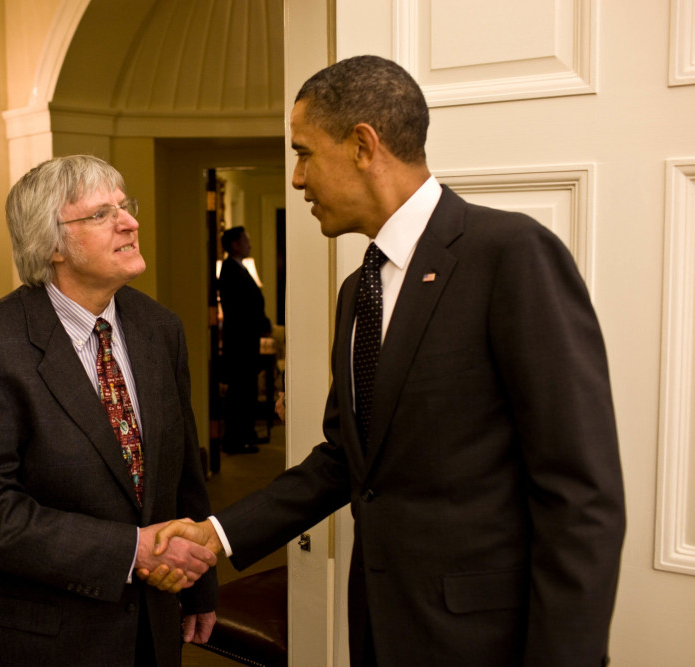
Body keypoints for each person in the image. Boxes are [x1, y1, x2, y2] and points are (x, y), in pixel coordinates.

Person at [149, 55, 626, 666]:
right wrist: (215, 535)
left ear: (362, 145)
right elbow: (345, 460)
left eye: (303, 152)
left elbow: (580, 491)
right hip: (380, 627)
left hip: (486, 643)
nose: (296, 179)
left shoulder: (510, 255)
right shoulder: (359, 290)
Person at [0, 155, 218, 666]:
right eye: (100, 214)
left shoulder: (160, 328)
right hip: (42, 639)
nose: (129, 222)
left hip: (151, 626)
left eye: (124, 206)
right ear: (51, 245)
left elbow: (182, 470)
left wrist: (199, 585)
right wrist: (130, 551)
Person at [217, 226, 270, 454]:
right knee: (240, 390)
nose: (249, 244)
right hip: (239, 342)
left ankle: (246, 434)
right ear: (235, 244)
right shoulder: (229, 269)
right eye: (245, 240)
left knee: (246, 389)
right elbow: (240, 306)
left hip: (247, 339)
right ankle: (235, 440)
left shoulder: (240, 267)